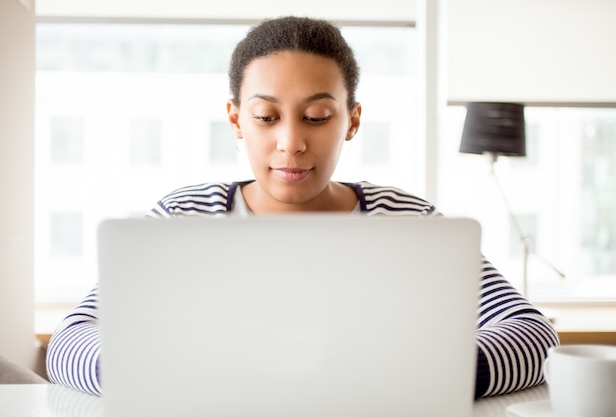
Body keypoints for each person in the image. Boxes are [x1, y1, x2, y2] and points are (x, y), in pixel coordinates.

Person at [46, 15, 559, 399]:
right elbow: (70, 342)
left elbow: (535, 336)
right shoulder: (183, 217)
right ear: (236, 119)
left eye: (317, 116)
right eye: (267, 117)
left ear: (352, 122)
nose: (291, 142)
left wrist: (430, 375)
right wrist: (159, 372)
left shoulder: (408, 221)